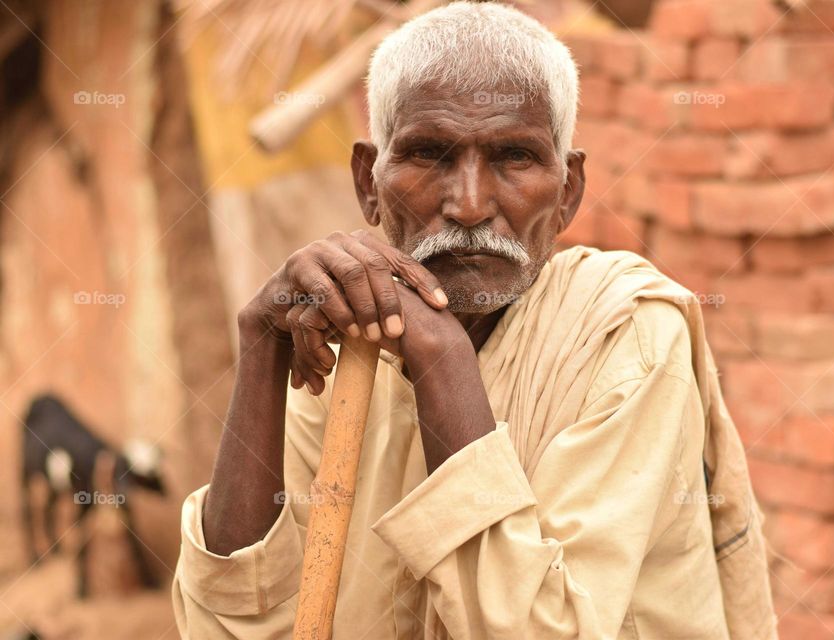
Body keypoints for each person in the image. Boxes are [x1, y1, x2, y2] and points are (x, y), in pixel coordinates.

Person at [172, 2, 777, 638]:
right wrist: (261, 356)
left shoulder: (628, 336)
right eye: (430, 155)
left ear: (568, 190)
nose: (468, 205)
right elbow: (230, 624)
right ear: (368, 183)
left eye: (514, 158)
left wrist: (440, 356)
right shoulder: (346, 344)